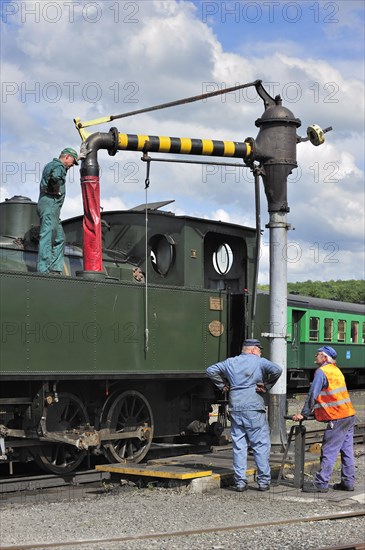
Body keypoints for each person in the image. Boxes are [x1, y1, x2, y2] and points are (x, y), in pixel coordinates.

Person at [206, 339, 282, 492]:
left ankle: (240, 482)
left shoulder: (230, 362)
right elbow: (277, 370)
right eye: (260, 350)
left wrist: (222, 385)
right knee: (260, 445)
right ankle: (263, 482)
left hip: (235, 408)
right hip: (254, 407)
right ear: (254, 350)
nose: (260, 353)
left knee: (239, 446)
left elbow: (211, 370)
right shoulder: (259, 362)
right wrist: (267, 385)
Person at [292, 346, 356, 493]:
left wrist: (304, 413)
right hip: (348, 415)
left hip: (337, 417)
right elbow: (331, 396)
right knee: (347, 451)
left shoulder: (322, 372)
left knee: (329, 450)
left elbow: (312, 394)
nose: (315, 356)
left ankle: (321, 483)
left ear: (325, 358)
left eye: (318, 354)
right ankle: (348, 482)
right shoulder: (336, 370)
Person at [37, 148, 79, 273]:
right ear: (66, 157)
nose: (73, 165)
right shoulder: (58, 166)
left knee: (59, 238)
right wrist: (56, 186)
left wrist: (80, 157)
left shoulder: (53, 165)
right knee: (47, 236)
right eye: (73, 161)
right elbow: (55, 176)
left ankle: (55, 269)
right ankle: (43, 270)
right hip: (50, 205)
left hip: (52, 208)